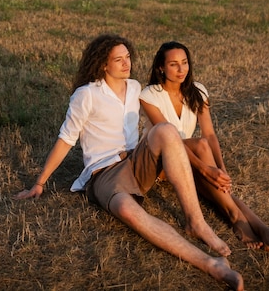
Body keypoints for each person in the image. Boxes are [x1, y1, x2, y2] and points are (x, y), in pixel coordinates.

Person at [15, 34, 244, 291]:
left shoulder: (135, 88)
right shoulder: (86, 95)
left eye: (128, 58)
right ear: (103, 64)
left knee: (166, 130)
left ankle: (196, 222)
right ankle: (213, 265)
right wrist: (39, 182)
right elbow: (66, 139)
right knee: (126, 210)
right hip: (105, 173)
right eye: (118, 59)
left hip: (137, 162)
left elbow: (164, 106)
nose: (127, 63)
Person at [140, 40, 269, 252]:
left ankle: (260, 226)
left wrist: (220, 169)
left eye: (184, 62)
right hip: (159, 162)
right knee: (202, 153)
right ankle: (237, 217)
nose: (181, 69)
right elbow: (170, 140)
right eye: (173, 64)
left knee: (212, 177)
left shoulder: (198, 91)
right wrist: (205, 168)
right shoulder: (148, 95)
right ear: (161, 68)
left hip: (189, 157)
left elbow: (209, 134)